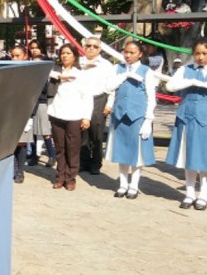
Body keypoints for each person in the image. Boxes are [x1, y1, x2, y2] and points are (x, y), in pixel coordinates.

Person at [105, 41, 158, 199]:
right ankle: (123, 184)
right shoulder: (117, 68)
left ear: (140, 54)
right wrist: (125, 75)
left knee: (137, 152)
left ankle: (134, 185)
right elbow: (108, 88)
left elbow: (151, 97)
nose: (128, 55)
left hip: (137, 116)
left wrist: (148, 119)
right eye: (126, 52)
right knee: (121, 150)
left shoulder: (146, 71)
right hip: (120, 115)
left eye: (132, 52)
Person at [165, 39, 207, 210]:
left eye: (204, 53)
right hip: (187, 117)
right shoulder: (185, 69)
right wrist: (190, 82)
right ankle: (189, 194)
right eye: (197, 53)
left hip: (205, 119)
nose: (201, 57)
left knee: (204, 158)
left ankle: (203, 195)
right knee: (188, 156)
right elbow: (170, 85)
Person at [46, 43, 92, 191]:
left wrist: (86, 117)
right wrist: (60, 76)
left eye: (68, 53)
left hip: (74, 115)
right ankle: (60, 176)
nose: (64, 56)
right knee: (60, 147)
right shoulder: (55, 70)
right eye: (62, 53)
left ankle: (71, 177)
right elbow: (44, 73)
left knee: (72, 148)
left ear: (75, 56)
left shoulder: (81, 74)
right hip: (57, 113)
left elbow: (87, 96)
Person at [78, 37, 115, 175]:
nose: (91, 48)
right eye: (88, 45)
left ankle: (95, 163)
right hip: (80, 99)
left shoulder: (106, 65)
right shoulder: (78, 62)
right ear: (84, 47)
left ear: (99, 49)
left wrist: (109, 104)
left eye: (95, 46)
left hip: (99, 99)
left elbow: (112, 86)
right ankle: (83, 161)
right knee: (82, 132)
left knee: (96, 132)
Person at [10, 45, 35, 184]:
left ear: (25, 56)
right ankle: (13, 169)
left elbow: (36, 93)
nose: (15, 58)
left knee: (21, 144)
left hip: (25, 112)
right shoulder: (8, 71)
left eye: (18, 55)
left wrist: (31, 114)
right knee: (10, 143)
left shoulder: (31, 72)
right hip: (10, 112)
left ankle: (20, 170)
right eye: (13, 55)